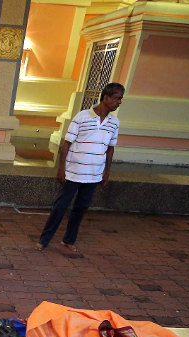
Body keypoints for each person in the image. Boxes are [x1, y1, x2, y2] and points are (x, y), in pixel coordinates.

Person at [36, 82, 124, 253]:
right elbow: (67, 144)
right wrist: (61, 169)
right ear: (106, 97)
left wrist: (106, 172)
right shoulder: (82, 117)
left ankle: (68, 240)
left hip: (94, 174)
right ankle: (44, 240)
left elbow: (110, 149)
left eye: (121, 99)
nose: (119, 102)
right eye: (116, 98)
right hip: (73, 172)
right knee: (61, 207)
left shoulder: (114, 122)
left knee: (81, 208)